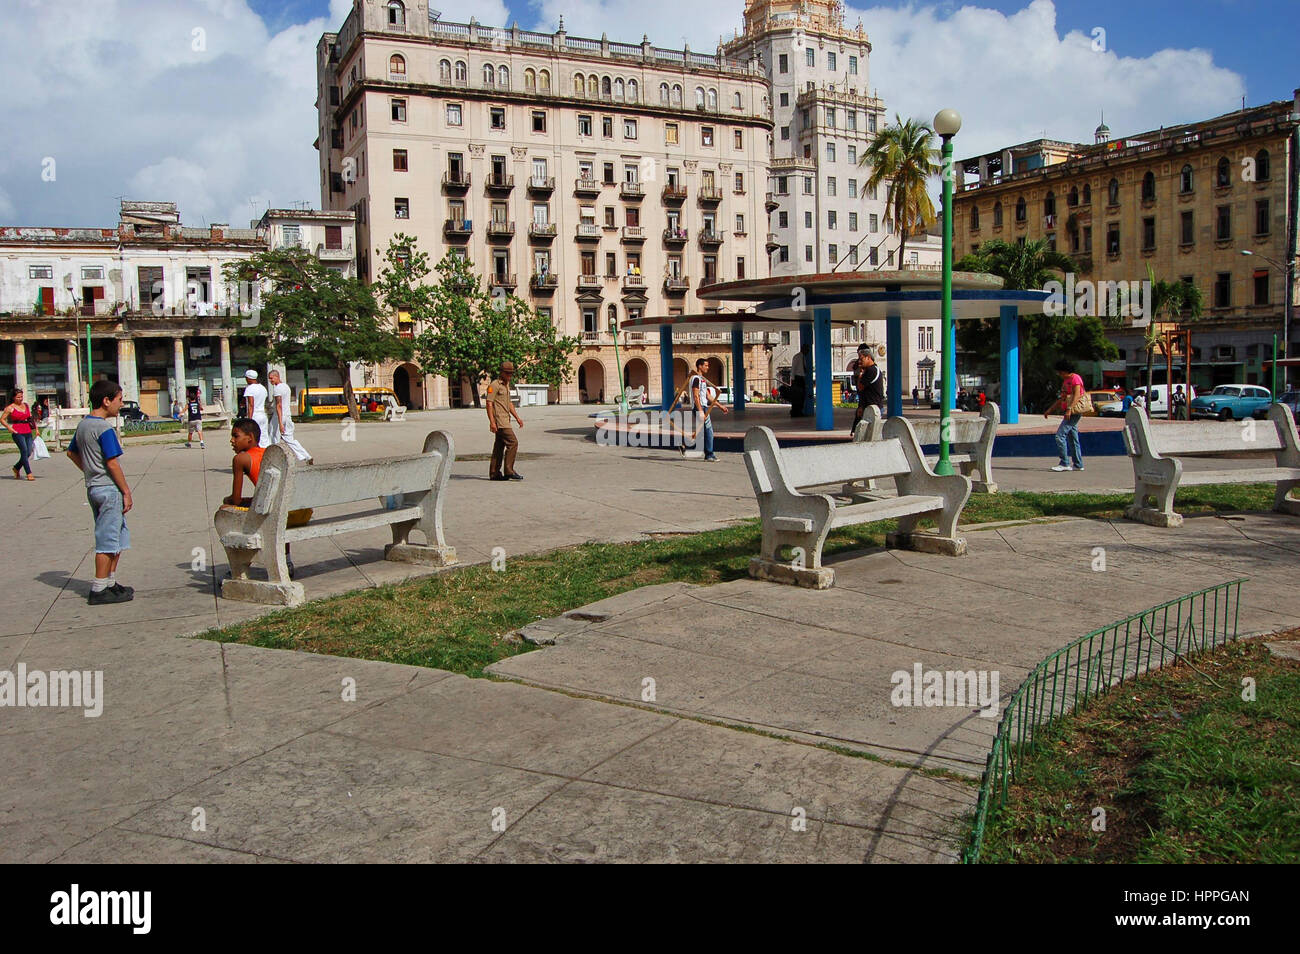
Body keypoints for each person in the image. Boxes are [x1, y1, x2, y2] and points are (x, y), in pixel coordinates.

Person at [66, 379, 134, 604]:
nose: (121, 404)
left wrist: (89, 471)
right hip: (108, 489)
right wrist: (126, 490)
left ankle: (110, 582)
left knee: (117, 536)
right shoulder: (104, 428)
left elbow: (72, 453)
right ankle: (98, 589)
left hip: (94, 487)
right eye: (119, 400)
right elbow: (112, 462)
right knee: (107, 539)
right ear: (106, 401)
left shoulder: (84, 425)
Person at [221, 417, 304, 579]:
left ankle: (239, 566)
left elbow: (236, 501)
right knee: (278, 511)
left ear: (249, 438)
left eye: (235, 436)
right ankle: (287, 561)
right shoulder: (269, 454)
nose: (232, 440)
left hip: (275, 512)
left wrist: (229, 500)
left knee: (225, 509)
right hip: (297, 511)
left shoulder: (241, 459)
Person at [1045, 359, 1087, 472]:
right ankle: (1078, 464)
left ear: (1065, 371)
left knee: (1060, 436)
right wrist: (1050, 410)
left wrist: (1069, 409)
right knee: (1073, 438)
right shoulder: (1065, 381)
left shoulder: (1075, 378)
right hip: (1069, 411)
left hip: (1074, 412)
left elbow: (1077, 395)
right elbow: (1062, 398)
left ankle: (1064, 463)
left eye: (1060, 372)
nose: (1059, 375)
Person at [486, 360, 525, 480]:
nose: (509, 376)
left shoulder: (506, 385)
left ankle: (494, 473)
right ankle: (509, 470)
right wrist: (492, 422)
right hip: (500, 421)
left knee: (499, 446)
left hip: (505, 419)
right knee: (513, 442)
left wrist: (517, 417)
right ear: (501, 372)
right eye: (507, 373)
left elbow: (509, 403)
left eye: (511, 373)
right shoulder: (494, 385)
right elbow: (489, 403)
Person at [687, 358, 729, 461]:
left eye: (708, 365)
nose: (707, 367)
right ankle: (709, 454)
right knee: (709, 431)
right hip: (700, 407)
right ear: (700, 366)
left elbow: (707, 396)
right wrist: (700, 411)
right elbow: (696, 396)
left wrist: (720, 406)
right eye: (705, 365)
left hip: (702, 407)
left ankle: (688, 447)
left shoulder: (702, 380)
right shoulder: (696, 379)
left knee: (703, 431)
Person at [267, 370, 312, 463]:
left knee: (273, 437)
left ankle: (274, 459)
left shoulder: (277, 389)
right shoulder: (286, 387)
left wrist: (280, 423)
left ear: (276, 376)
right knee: (289, 439)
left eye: (271, 378)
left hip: (279, 417)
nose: (270, 381)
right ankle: (306, 456)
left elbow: (279, 405)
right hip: (287, 416)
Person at [2, 387, 38, 480]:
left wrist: (36, 429)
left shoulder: (25, 405)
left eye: (21, 397)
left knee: (29, 452)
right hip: (17, 431)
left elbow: (30, 418)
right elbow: (2, 419)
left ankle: (16, 468)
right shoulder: (10, 408)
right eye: (18, 397)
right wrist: (9, 428)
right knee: (24, 451)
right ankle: (29, 473)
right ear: (14, 397)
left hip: (27, 430)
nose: (20, 399)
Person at [851, 344, 885, 432]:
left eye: (861, 359)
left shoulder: (871, 370)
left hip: (872, 410)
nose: (859, 362)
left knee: (867, 435)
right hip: (872, 408)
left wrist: (860, 376)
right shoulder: (874, 369)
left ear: (868, 357)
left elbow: (860, 387)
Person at [242, 369, 270, 448]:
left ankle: (257, 454)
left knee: (254, 436)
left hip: (255, 415)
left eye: (246, 378)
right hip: (263, 414)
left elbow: (251, 405)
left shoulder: (250, 389)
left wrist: (249, 419)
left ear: (249, 378)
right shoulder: (262, 388)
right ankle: (266, 452)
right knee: (264, 436)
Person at [789, 340, 810, 417]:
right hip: (797, 378)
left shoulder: (803, 357)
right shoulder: (797, 357)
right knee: (797, 396)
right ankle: (795, 412)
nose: (808, 351)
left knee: (802, 396)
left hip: (801, 378)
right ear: (803, 349)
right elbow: (793, 369)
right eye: (807, 349)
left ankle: (799, 411)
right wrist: (793, 380)